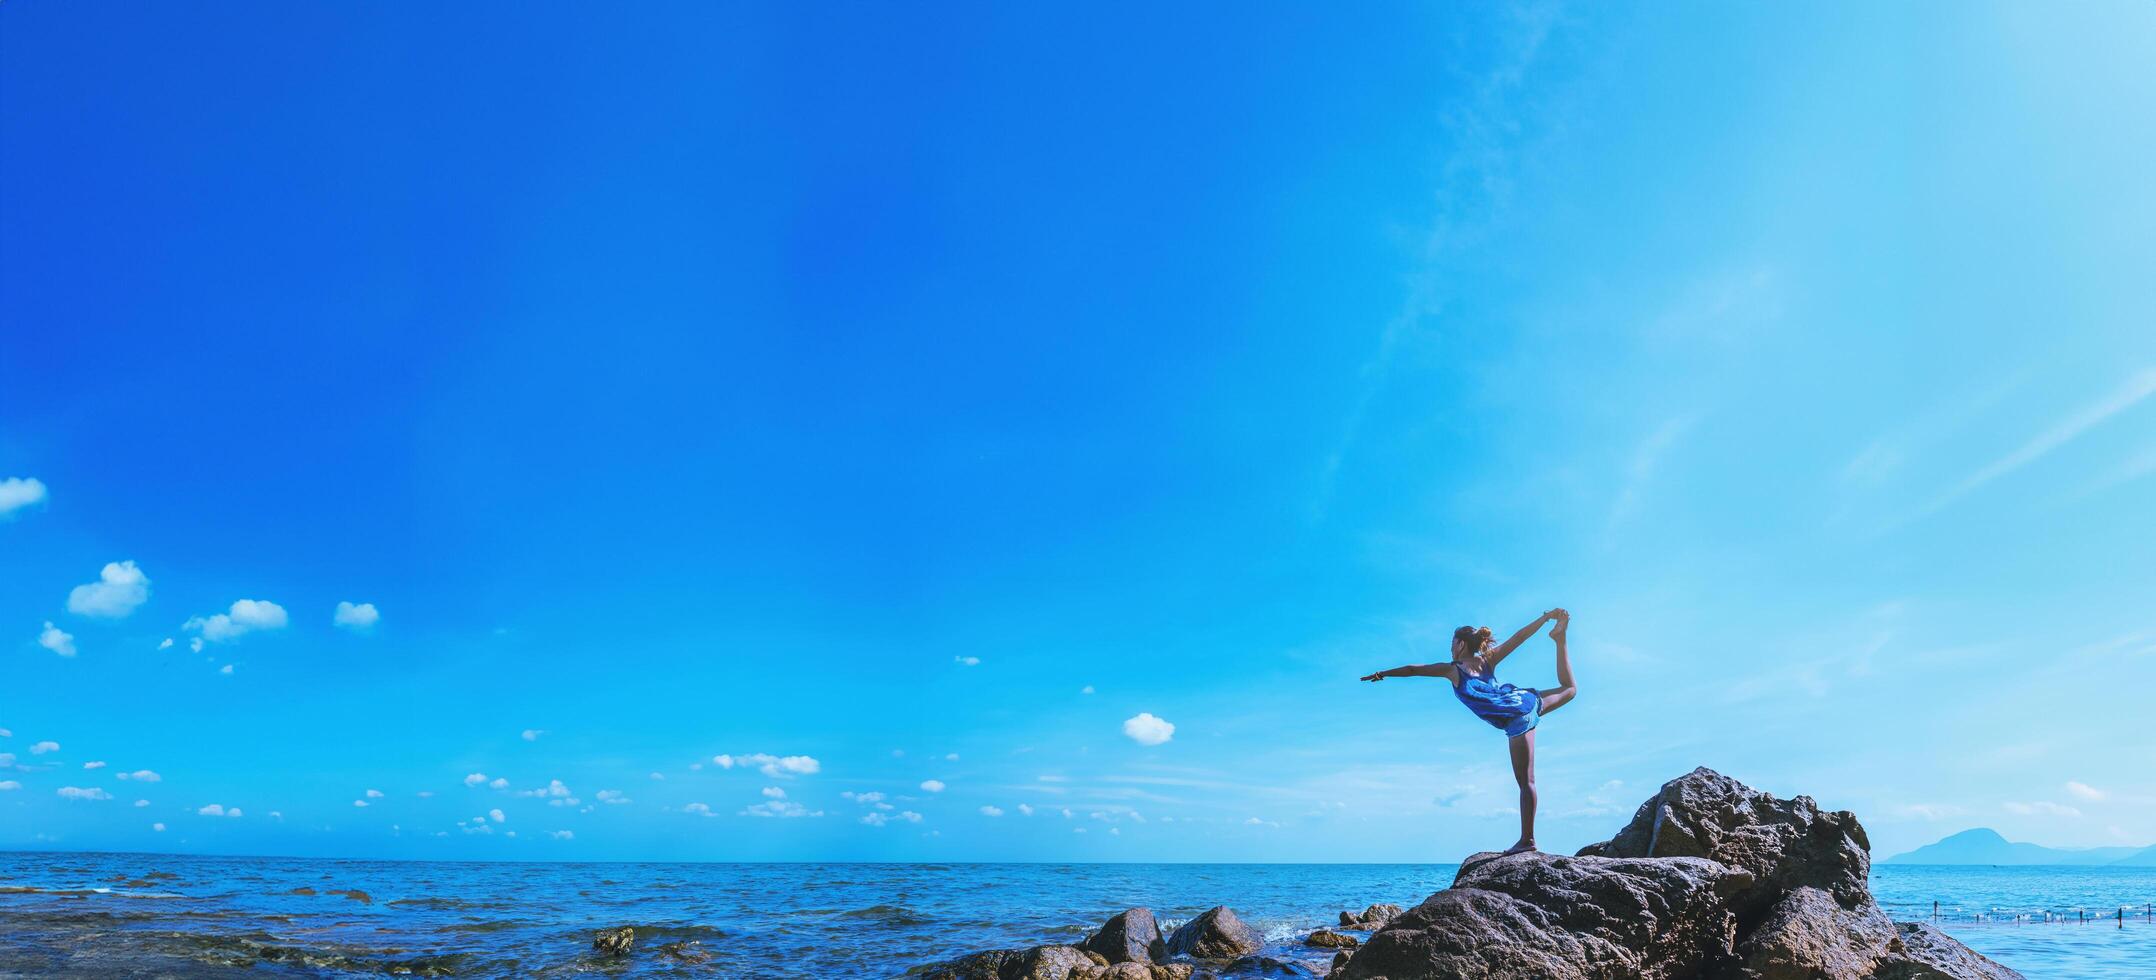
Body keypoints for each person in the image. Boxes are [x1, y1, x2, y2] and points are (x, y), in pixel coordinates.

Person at [1361, 608, 1575, 854]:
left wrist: (1382, 674)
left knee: (1526, 782)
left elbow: (1412, 669)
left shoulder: (1453, 669)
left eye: (1452, 643)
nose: (1450, 648)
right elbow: (1519, 638)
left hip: (1516, 717)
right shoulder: (1488, 660)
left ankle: (1527, 840)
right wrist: (1545, 617)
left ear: (1461, 644)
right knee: (1569, 689)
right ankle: (1560, 639)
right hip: (1524, 700)